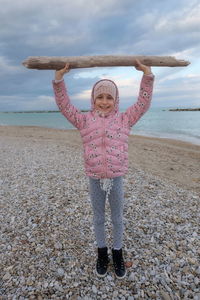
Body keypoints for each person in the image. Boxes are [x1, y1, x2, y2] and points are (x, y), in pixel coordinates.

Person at [52, 60, 154, 279]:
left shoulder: (125, 119)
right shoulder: (84, 120)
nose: (104, 102)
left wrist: (147, 75)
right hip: (95, 177)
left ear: (115, 100)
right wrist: (59, 80)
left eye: (109, 97)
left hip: (116, 177)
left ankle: (117, 252)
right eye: (100, 97)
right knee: (98, 218)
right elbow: (64, 106)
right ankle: (101, 252)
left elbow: (143, 104)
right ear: (93, 99)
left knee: (117, 218)